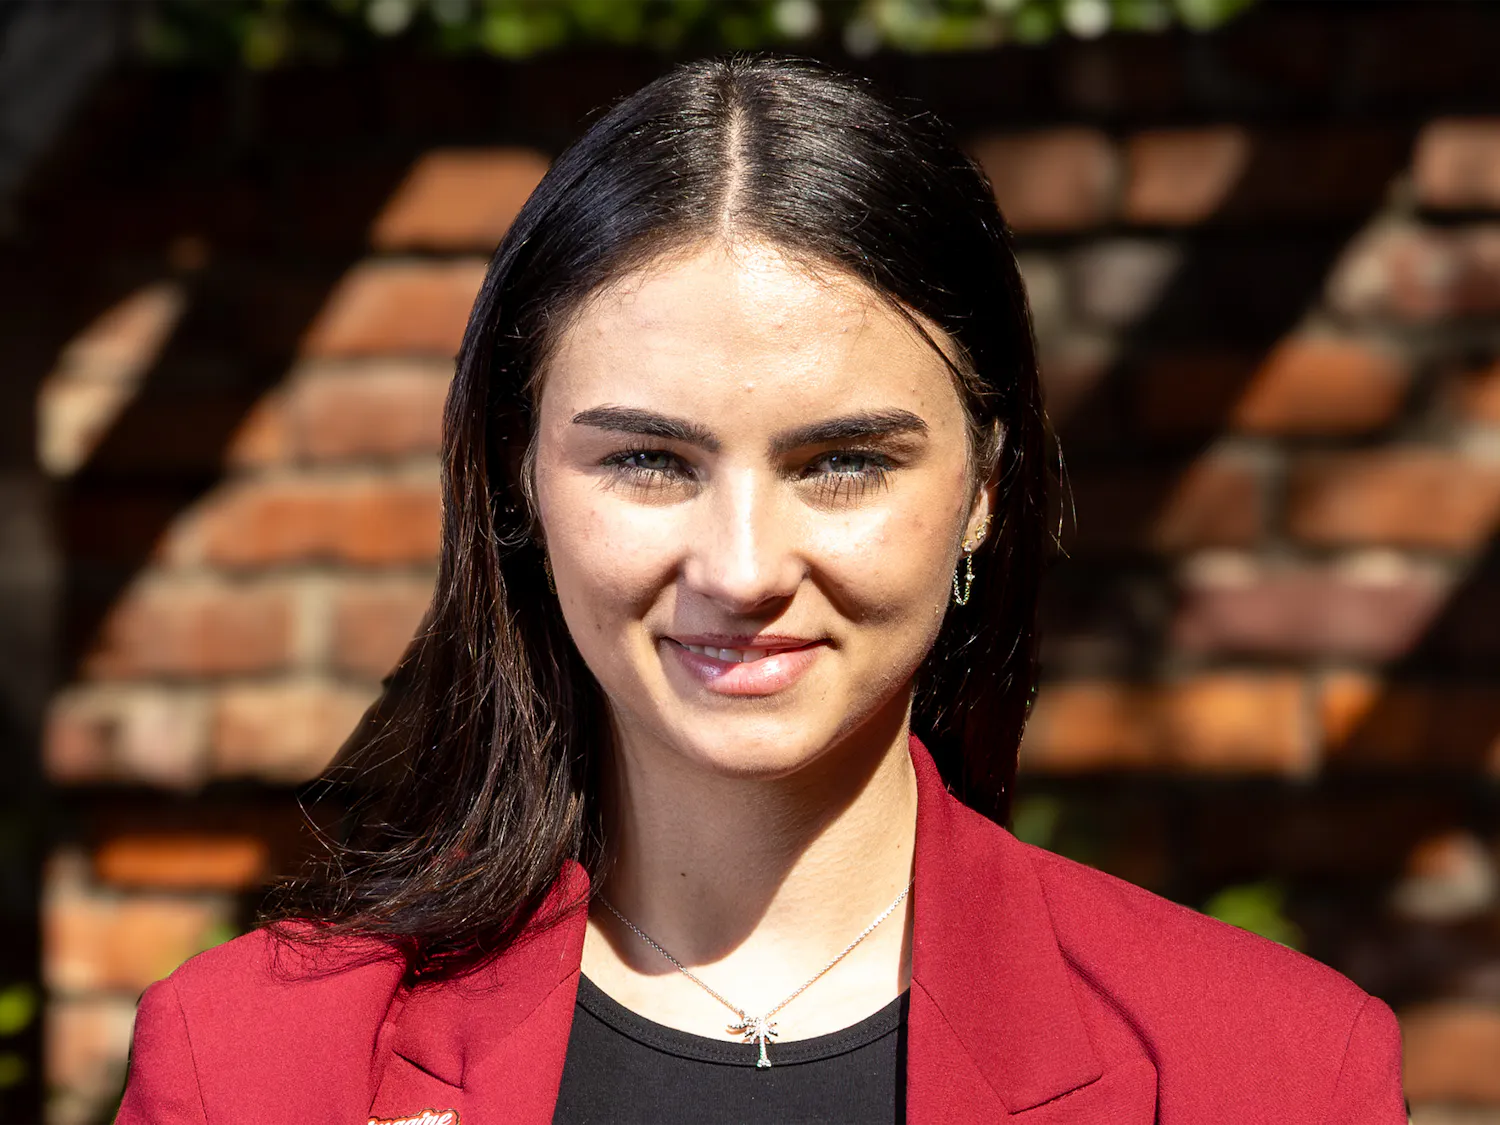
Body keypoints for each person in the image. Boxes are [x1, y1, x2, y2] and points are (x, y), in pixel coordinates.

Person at [115, 54, 1406, 1125]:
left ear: (986, 487)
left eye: (842, 463)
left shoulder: (1273, 1073)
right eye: (648, 460)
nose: (741, 567)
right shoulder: (254, 1069)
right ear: (520, 479)